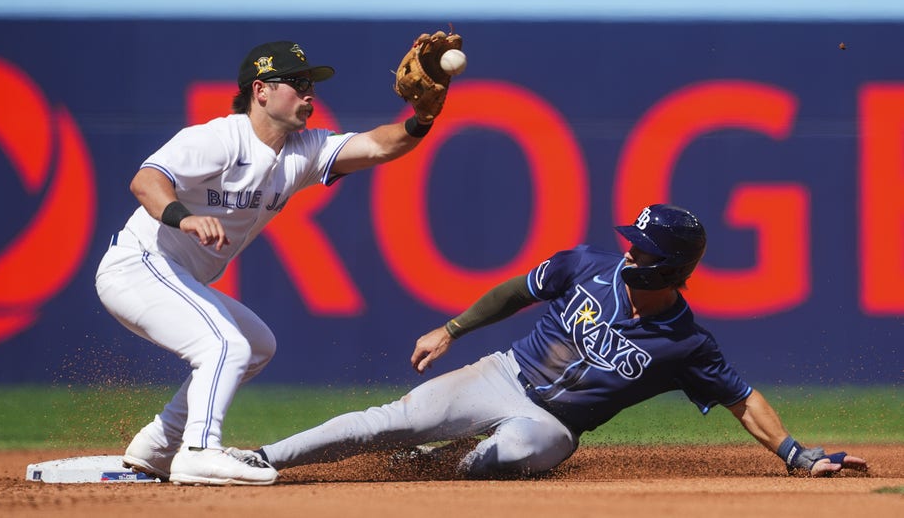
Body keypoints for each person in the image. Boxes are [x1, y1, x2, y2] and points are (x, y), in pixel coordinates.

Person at [255, 204, 869, 479]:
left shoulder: (686, 343)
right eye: (633, 240)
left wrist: (796, 453)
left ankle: (437, 466)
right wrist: (450, 329)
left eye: (645, 248)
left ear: (670, 268)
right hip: (502, 374)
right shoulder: (587, 266)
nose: (631, 250)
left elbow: (743, 398)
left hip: (555, 427)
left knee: (511, 452)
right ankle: (263, 459)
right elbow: (516, 292)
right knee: (388, 421)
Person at [95, 39, 444, 485]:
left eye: (310, 84)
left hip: (175, 276)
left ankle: (160, 444)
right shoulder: (218, 138)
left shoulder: (303, 150)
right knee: (225, 345)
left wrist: (423, 119)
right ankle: (199, 451)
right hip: (137, 266)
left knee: (256, 344)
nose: (309, 93)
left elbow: (379, 146)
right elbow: (146, 181)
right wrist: (184, 218)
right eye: (297, 83)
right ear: (260, 91)